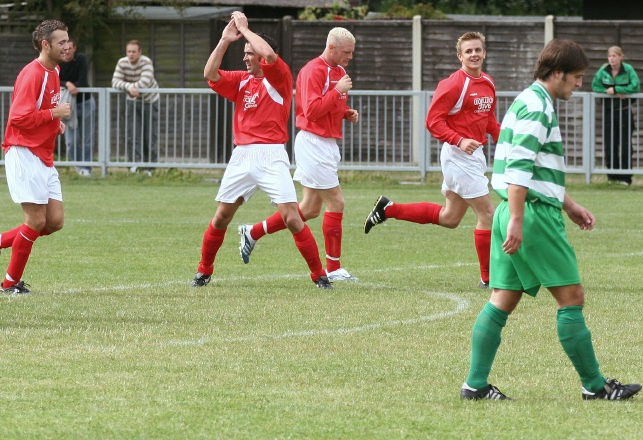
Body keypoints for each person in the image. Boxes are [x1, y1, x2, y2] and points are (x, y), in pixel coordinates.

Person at [460, 39, 641, 401]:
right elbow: (520, 168)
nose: (579, 84)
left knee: (503, 298)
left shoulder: (527, 100)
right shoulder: (538, 107)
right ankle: (595, 387)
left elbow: (537, 167)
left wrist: (568, 204)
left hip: (517, 210)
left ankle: (475, 385)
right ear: (557, 73)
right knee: (571, 297)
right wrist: (517, 218)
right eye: (575, 77)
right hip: (530, 215)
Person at [190, 12, 331, 290]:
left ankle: (319, 276)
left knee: (292, 217)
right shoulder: (242, 81)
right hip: (242, 155)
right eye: (244, 52)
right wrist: (225, 40)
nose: (245, 57)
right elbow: (209, 74)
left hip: (271, 155)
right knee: (221, 217)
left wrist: (245, 27)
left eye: (249, 52)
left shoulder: (278, 77)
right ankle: (204, 271)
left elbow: (268, 54)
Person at [363, 31, 499, 289]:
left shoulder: (488, 82)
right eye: (468, 51)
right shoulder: (453, 84)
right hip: (459, 155)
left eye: (478, 50)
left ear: (484, 53)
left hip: (474, 154)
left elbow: (489, 119)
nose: (474, 55)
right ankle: (488, 279)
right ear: (460, 56)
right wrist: (459, 140)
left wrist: (506, 139)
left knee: (450, 218)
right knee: (488, 214)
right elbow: (433, 121)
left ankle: (388, 208)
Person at [237, 27, 360, 283]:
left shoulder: (339, 72)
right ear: (332, 48)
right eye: (347, 52)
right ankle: (334, 269)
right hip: (314, 143)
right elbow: (311, 111)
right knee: (336, 202)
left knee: (310, 209)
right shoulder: (312, 71)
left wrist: (344, 112)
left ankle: (253, 231)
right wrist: (337, 91)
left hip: (326, 143)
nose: (350, 57)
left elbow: (329, 106)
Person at [0, 19, 71, 295]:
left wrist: (54, 123)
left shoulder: (54, 71)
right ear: (46, 44)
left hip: (43, 154)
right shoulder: (33, 74)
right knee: (36, 221)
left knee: (54, 222)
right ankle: (9, 284)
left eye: (67, 40)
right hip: (23, 152)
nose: (67, 46)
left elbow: (40, 110)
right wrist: (53, 115)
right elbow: (18, 118)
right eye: (61, 42)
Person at [591, 46, 640, 185]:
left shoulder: (628, 69)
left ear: (621, 57)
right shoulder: (604, 70)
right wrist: (608, 91)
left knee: (625, 145)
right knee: (610, 145)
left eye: (615, 56)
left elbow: (635, 86)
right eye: (610, 56)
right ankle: (612, 177)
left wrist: (617, 89)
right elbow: (595, 86)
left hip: (624, 112)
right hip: (609, 113)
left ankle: (626, 178)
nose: (612, 58)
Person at [111, 39, 159, 174]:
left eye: (134, 52)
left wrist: (132, 87)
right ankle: (134, 165)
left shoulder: (146, 62)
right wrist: (129, 87)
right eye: (128, 51)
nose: (131, 54)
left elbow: (145, 81)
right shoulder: (122, 62)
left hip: (150, 100)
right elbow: (115, 81)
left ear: (140, 52)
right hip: (132, 100)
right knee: (133, 134)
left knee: (150, 135)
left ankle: (150, 168)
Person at [60, 37, 96, 176]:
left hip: (85, 102)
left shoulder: (81, 59)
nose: (67, 51)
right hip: (68, 105)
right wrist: (68, 84)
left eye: (69, 48)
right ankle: (79, 166)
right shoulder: (58, 63)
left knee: (87, 138)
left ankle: (86, 168)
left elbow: (82, 80)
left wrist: (70, 85)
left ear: (74, 48)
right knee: (71, 141)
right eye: (64, 49)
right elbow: (54, 79)